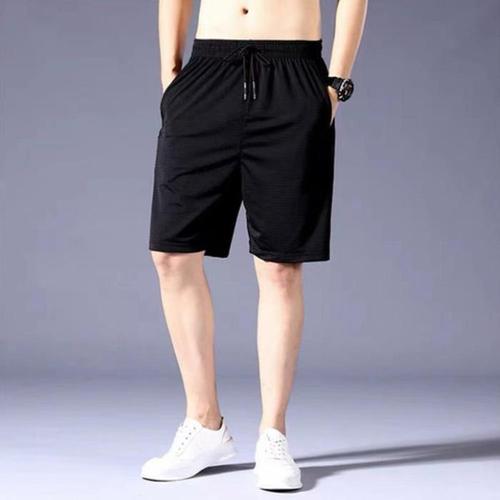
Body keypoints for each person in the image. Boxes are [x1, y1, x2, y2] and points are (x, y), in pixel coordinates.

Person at [142, 0, 367, 491]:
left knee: (280, 266)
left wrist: (335, 86)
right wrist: (171, 77)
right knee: (172, 256)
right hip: (207, 73)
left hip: (292, 74)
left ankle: (273, 434)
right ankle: (204, 423)